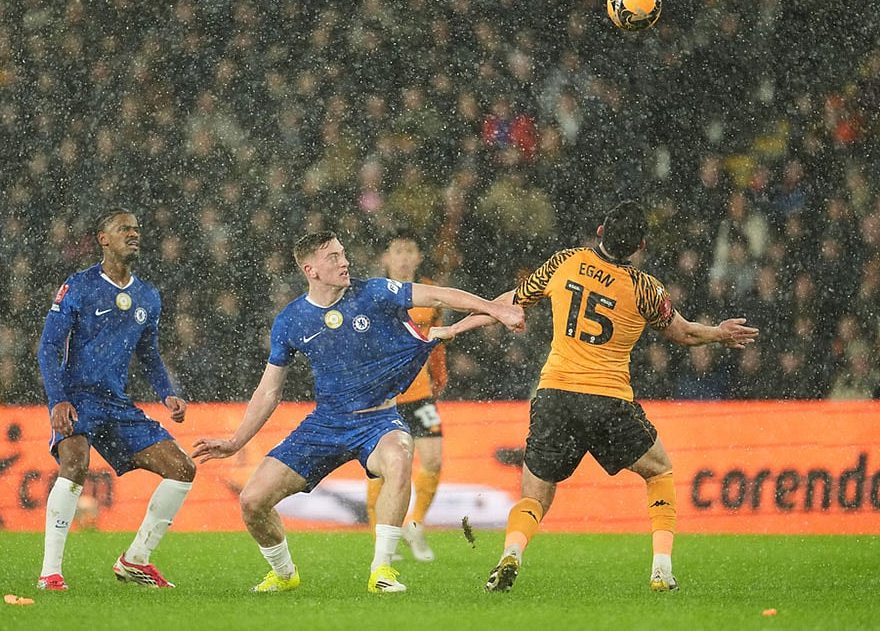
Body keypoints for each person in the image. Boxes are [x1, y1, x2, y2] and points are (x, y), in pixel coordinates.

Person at [430, 200, 759, 594]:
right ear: (639, 245)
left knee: (534, 495)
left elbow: (511, 301)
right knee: (660, 472)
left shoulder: (566, 262)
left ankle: (512, 553)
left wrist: (457, 328)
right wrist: (720, 333)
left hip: (555, 395)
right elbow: (683, 334)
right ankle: (661, 570)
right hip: (608, 399)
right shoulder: (645, 288)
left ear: (600, 231)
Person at [192, 230, 524, 594]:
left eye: (343, 254)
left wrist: (494, 308)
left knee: (400, 458)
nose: (344, 261)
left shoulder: (374, 292)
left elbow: (438, 294)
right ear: (311, 269)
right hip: (325, 424)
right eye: (333, 257)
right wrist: (236, 441)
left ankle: (382, 570)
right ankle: (284, 574)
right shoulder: (291, 320)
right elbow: (269, 390)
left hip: (378, 419)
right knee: (252, 501)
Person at [36, 208, 196, 591]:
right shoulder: (79, 286)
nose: (133, 234)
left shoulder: (147, 295)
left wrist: (167, 392)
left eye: (137, 229)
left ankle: (135, 561)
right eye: (124, 228)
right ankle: (50, 573)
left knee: (183, 469)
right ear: (102, 238)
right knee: (74, 465)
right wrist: (58, 399)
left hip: (118, 404)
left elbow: (149, 354)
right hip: (78, 399)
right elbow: (48, 347)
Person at [365, 230, 448, 561]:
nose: (402, 257)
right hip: (385, 397)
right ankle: (381, 535)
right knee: (381, 468)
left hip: (420, 394)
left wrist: (440, 375)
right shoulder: (373, 296)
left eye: (408, 250)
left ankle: (414, 524)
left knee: (433, 461)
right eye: (396, 251)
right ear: (386, 258)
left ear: (418, 257)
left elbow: (436, 342)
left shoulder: (430, 295)